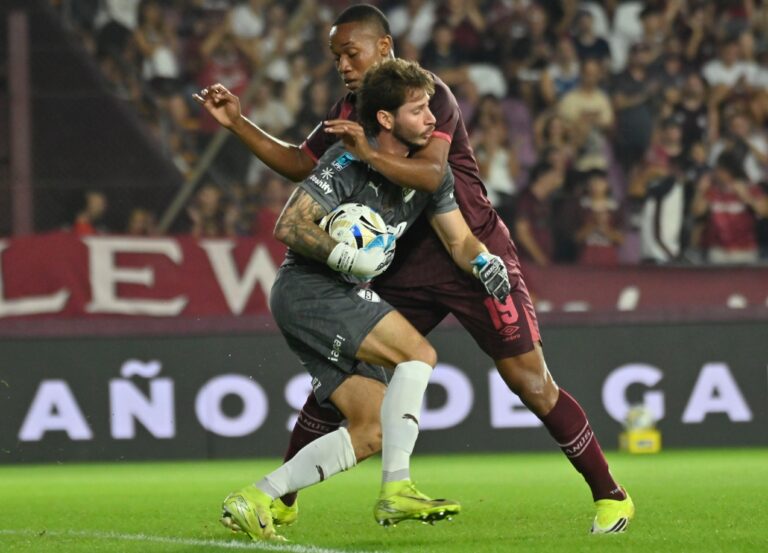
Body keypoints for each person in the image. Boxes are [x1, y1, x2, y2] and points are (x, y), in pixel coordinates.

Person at [195, 4, 634, 535]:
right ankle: (287, 496)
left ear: (383, 47)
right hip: (397, 262)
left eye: (350, 52)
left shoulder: (428, 99)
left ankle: (610, 496)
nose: (342, 64)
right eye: (335, 56)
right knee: (349, 384)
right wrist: (239, 123)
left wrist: (362, 150)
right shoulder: (356, 108)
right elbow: (300, 164)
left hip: (468, 250)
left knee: (530, 382)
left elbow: (429, 173)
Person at [219, 58, 510, 541]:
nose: (433, 119)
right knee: (418, 353)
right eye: (418, 110)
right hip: (309, 288)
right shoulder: (345, 160)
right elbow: (288, 225)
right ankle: (397, 490)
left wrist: (484, 262)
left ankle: (255, 498)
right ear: (386, 119)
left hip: (333, 294)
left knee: (372, 429)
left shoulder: (429, 177)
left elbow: (459, 241)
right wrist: (345, 257)